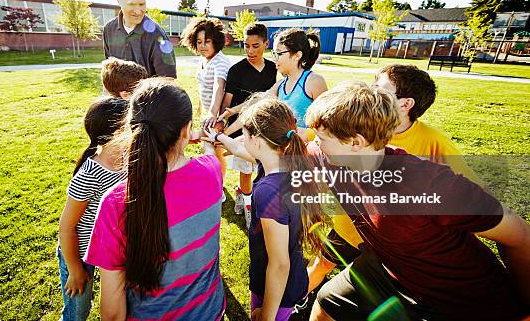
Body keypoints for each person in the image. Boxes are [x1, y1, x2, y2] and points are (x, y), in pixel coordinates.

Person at [305, 82, 529, 320]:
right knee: (327, 302)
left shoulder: (430, 183)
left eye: (321, 138)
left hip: (460, 296)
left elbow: (519, 235)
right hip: (388, 267)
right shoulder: (329, 157)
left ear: (355, 142)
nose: (315, 143)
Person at [308, 64, 486, 290]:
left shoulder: (434, 143)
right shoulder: (355, 127)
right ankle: (295, 303)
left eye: (379, 88)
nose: (371, 92)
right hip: (350, 226)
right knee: (322, 268)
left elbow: (473, 199)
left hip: (400, 241)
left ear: (405, 103)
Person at [84, 78, 226, 320]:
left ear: (131, 128)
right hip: (210, 311)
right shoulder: (211, 171)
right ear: (186, 131)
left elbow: (111, 313)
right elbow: (213, 160)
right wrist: (206, 143)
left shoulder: (116, 202)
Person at [205, 98, 326, 321]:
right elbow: (240, 149)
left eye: (245, 133)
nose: (241, 138)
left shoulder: (268, 192)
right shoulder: (285, 161)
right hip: (285, 279)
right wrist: (217, 137)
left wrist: (267, 316)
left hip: (277, 289)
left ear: (258, 141)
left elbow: (279, 264)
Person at [57, 96, 128, 321]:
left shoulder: (129, 162)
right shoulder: (90, 174)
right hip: (80, 254)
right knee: (78, 312)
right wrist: (75, 269)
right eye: (133, 124)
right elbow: (67, 228)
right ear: (117, 133)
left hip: (112, 249)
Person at [220, 27, 327, 137]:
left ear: (297, 55)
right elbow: (255, 105)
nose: (275, 58)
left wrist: (307, 135)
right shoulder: (280, 85)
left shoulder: (314, 81)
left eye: (279, 54)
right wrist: (226, 130)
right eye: (273, 53)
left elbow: (327, 123)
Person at [221, 22, 277, 228]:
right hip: (241, 127)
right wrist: (224, 122)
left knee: (263, 167)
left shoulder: (273, 68)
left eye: (255, 45)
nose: (250, 50)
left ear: (266, 43)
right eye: (246, 45)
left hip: (266, 127)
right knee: (245, 169)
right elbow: (228, 101)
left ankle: (253, 195)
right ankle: (245, 200)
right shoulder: (236, 70)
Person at [180, 17, 232, 178]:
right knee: (213, 149)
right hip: (207, 114)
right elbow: (204, 87)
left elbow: (219, 86)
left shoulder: (220, 62)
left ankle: (217, 186)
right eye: (199, 41)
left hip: (216, 115)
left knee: (211, 150)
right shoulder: (204, 60)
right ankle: (219, 185)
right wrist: (201, 108)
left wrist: (213, 113)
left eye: (207, 41)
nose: (203, 46)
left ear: (216, 41)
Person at [102, 0, 176, 78]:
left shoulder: (158, 35)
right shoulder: (108, 30)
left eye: (142, 4)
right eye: (131, 4)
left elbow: (168, 82)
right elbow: (108, 70)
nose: (138, 11)